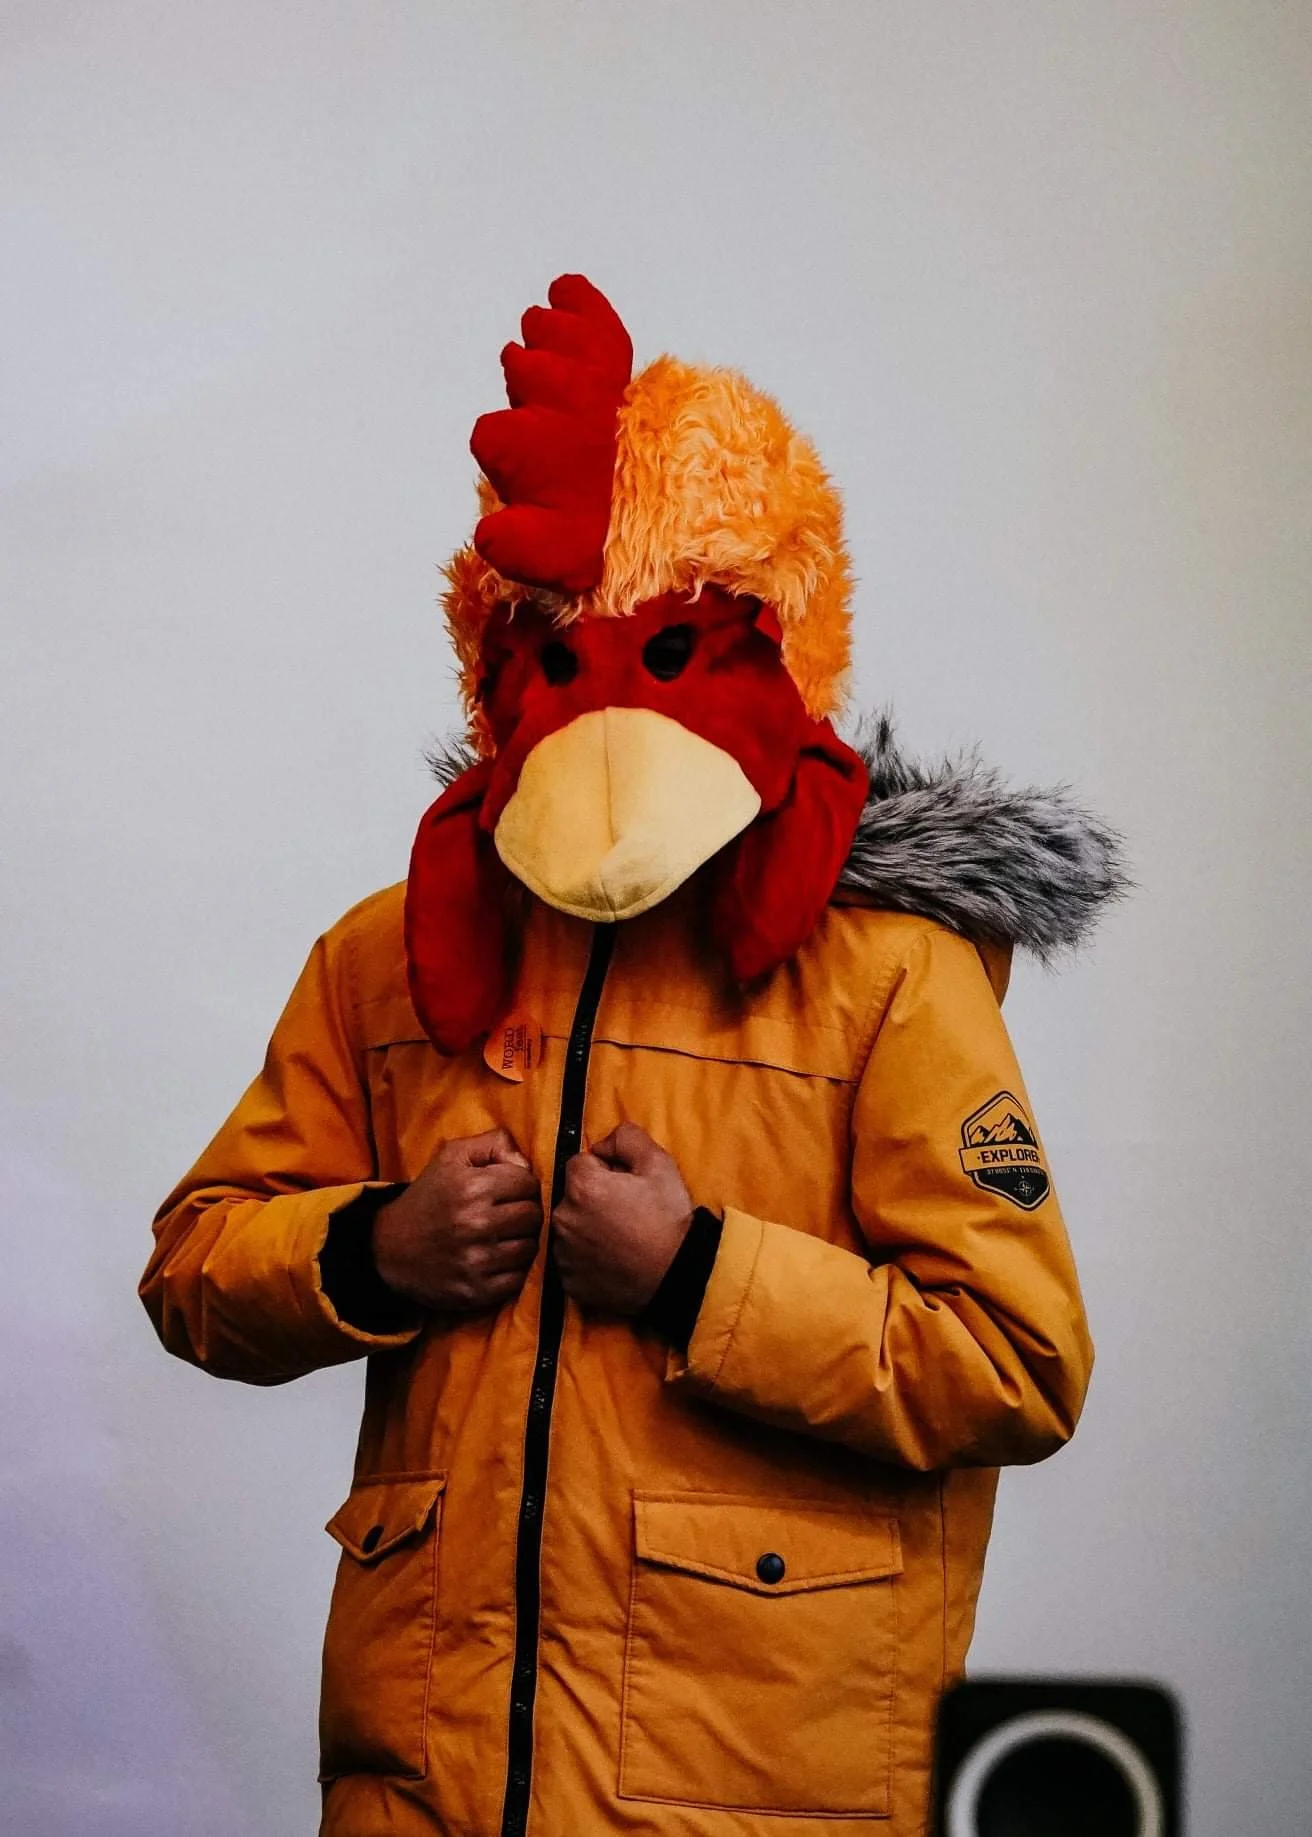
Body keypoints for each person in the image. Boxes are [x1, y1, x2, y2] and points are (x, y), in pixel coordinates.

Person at [142, 276, 1124, 1837]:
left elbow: (1014, 1362)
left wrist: (697, 1274)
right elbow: (195, 1268)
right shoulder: (388, 954)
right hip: (424, 1782)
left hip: (749, 1795)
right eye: (555, 663)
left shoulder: (891, 975)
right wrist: (374, 1248)